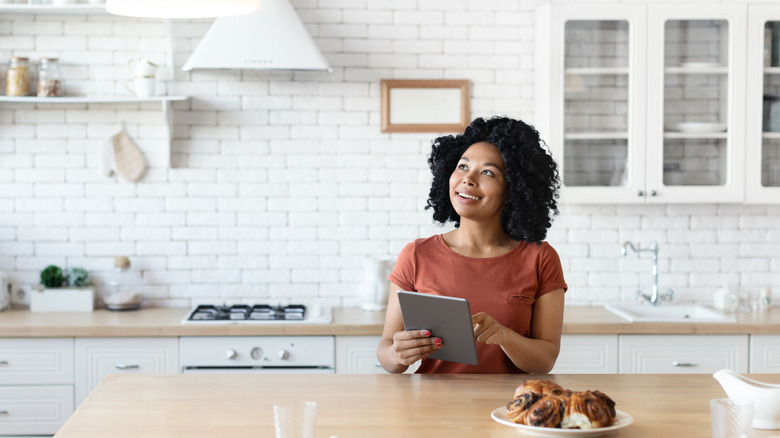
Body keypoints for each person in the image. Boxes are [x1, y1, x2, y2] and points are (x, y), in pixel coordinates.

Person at [376, 116, 567, 374]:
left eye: (488, 172)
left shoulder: (540, 258)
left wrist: (505, 336)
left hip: (509, 410)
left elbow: (545, 361)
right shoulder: (416, 255)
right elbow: (387, 352)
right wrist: (398, 353)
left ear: (514, 191)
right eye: (463, 166)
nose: (468, 179)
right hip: (433, 410)